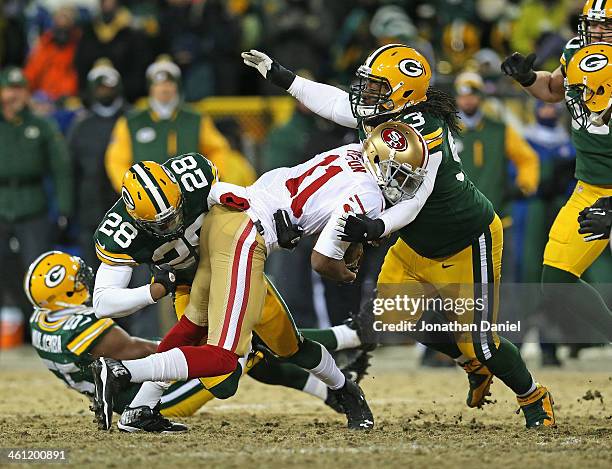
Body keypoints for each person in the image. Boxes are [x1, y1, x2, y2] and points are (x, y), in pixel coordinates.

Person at [242, 44, 555, 428]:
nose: (365, 94)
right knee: (394, 319)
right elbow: (334, 101)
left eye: (377, 87)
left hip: (464, 238)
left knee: (482, 342)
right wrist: (282, 76)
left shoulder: (423, 130)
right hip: (416, 242)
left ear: (404, 93)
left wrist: (377, 227)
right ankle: (471, 363)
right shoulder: (379, 110)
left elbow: (416, 200)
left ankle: (533, 397)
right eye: (368, 85)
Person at [89, 152, 375, 431]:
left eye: (175, 213)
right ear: (135, 218)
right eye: (161, 224)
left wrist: (257, 211)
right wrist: (153, 290)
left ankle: (343, 387)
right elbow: (103, 304)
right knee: (223, 381)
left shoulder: (192, 176)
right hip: (190, 285)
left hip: (236, 265)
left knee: (291, 346)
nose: (173, 224)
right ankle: (137, 394)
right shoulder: (119, 233)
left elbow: (220, 195)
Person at [25, 250, 370, 432]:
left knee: (248, 346)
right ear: (65, 293)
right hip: (155, 396)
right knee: (245, 344)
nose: (85, 282)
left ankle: (334, 384)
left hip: (123, 394)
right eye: (78, 280)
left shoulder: (42, 322)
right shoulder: (80, 327)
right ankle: (351, 336)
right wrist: (183, 343)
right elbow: (137, 352)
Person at [501, 0, 612, 343]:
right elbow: (552, 89)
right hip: (591, 188)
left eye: (604, 25)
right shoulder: (578, 51)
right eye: (591, 24)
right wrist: (528, 78)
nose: (594, 32)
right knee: (556, 279)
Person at [104, 56, 255, 189]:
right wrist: (133, 190)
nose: (164, 89)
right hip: (148, 201)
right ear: (151, 88)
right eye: (159, 84)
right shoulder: (131, 122)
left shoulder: (195, 119)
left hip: (190, 198)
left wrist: (209, 180)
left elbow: (218, 149)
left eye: (169, 84)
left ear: (177, 86)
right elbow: (116, 161)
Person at [0, 66, 73, 332]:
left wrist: (64, 208)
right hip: (2, 202)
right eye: (10, 88)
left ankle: (44, 329)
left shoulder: (42, 125)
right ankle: (20, 324)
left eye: (19, 89)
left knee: (37, 271)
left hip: (33, 204)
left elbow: (61, 169)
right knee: (5, 266)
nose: (14, 95)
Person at [68, 59, 128, 267]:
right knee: (92, 271)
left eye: (109, 87)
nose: (105, 92)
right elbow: (71, 170)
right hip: (89, 208)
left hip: (127, 207)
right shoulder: (80, 126)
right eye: (101, 87)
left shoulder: (132, 120)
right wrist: (68, 208)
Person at [454, 70, 539, 214]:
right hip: (456, 214)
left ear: (481, 96)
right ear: (456, 97)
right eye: (463, 95)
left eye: (472, 94)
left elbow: (527, 158)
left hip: (495, 212)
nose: (467, 100)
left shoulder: (500, 129)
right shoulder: (446, 130)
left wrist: (524, 186)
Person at [74, 0, 152, 102]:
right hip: (91, 96)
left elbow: (138, 67)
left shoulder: (131, 34)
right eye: (104, 1)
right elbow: (81, 65)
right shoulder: (89, 31)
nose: (107, 4)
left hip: (126, 97)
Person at [23, 6, 80, 100]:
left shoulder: (79, 46)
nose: (62, 24)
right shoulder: (44, 45)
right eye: (59, 19)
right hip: (42, 99)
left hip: (69, 99)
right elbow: (31, 74)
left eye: (67, 19)